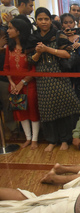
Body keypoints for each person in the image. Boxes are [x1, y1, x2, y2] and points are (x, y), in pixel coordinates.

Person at [27, 7, 80, 152]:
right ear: (36, 21)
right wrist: (38, 53)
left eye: (46, 19)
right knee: (47, 111)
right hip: (42, 80)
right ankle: (51, 140)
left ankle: (64, 140)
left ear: (51, 20)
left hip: (59, 77)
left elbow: (68, 54)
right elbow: (30, 61)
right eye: (40, 19)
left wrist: (48, 49)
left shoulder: (58, 35)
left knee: (63, 110)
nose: (43, 22)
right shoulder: (33, 39)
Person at [5, 17, 39, 149]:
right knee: (20, 111)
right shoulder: (9, 47)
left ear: (18, 31)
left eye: (10, 28)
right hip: (14, 84)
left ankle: (35, 139)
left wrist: (23, 82)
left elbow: (34, 69)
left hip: (29, 84)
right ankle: (28, 138)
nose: (8, 31)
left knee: (32, 110)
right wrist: (11, 82)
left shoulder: (30, 48)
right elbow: (6, 66)